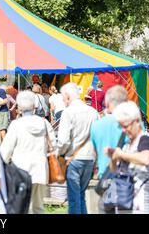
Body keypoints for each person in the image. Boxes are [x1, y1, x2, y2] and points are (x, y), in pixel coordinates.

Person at [0, 91, 56, 214]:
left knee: (22, 207)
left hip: (20, 171)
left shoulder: (16, 125)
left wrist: (2, 165)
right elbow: (54, 146)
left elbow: (6, 150)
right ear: (34, 106)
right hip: (41, 170)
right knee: (38, 207)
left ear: (19, 107)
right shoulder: (44, 123)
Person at [106, 101, 149, 214]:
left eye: (126, 126)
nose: (123, 130)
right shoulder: (128, 144)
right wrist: (113, 157)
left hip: (140, 207)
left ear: (137, 122)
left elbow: (146, 158)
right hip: (125, 204)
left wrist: (121, 155)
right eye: (121, 126)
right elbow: (113, 170)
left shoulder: (145, 139)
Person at [57, 83, 98, 214]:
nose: (63, 102)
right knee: (81, 196)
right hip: (89, 158)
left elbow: (63, 140)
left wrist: (59, 154)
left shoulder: (68, 113)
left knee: (74, 198)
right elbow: (97, 136)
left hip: (73, 159)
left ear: (68, 97)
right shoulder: (93, 112)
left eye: (63, 99)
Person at [89, 85, 128, 213]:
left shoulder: (96, 125)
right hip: (127, 180)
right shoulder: (132, 124)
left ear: (107, 102)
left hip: (105, 178)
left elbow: (93, 152)